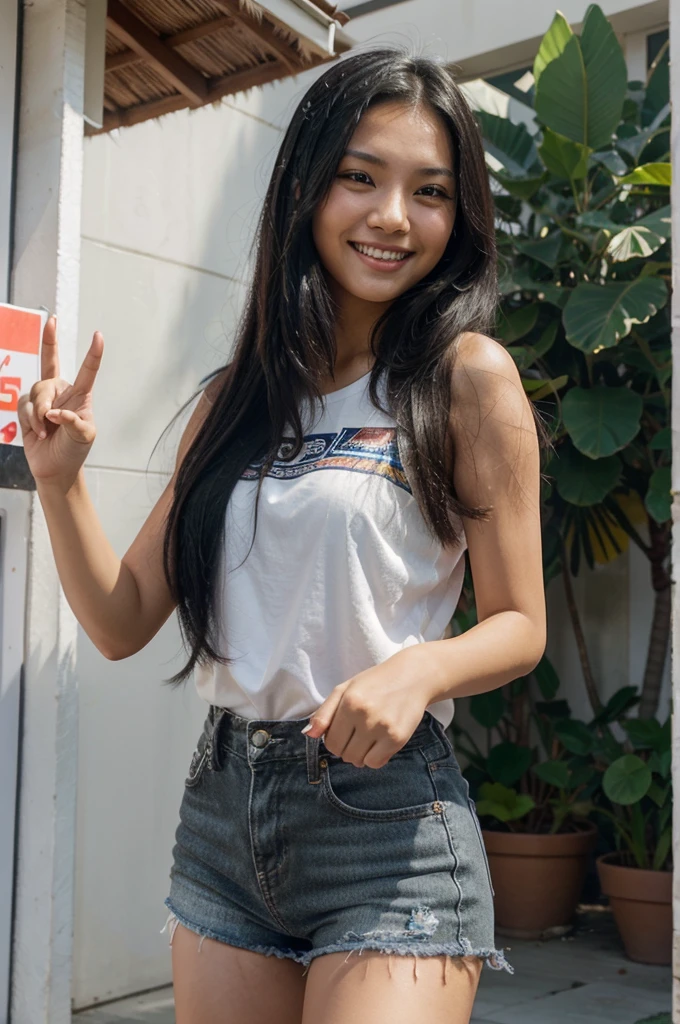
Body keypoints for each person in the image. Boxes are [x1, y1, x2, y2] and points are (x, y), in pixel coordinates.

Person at [18, 48, 546, 1024]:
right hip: (226, 821)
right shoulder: (237, 399)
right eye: (360, 176)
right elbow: (122, 618)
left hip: (387, 826)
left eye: (428, 192)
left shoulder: (464, 377)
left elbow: (518, 622)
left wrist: (416, 671)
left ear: (456, 215)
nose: (392, 216)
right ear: (306, 185)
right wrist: (61, 485)